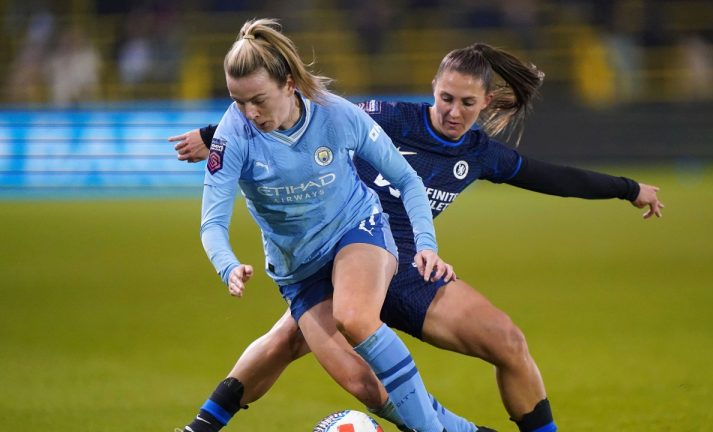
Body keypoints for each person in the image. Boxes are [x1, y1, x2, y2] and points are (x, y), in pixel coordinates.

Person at [171, 43, 664, 432]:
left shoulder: (482, 154)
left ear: (485, 102)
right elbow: (297, 111)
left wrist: (627, 189)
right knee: (327, 364)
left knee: (508, 342)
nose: (452, 111)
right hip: (332, 250)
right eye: (445, 97)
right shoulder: (387, 115)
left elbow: (553, 177)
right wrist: (215, 133)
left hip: (403, 265)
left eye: (467, 103)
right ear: (433, 88)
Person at [194, 17, 459, 432]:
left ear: (287, 84)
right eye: (237, 101)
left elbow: (408, 179)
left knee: (353, 316)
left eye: (257, 100)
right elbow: (211, 223)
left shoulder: (335, 115)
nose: (248, 112)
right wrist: (227, 265)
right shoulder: (233, 135)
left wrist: (426, 243)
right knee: (363, 385)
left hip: (357, 230)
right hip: (298, 269)